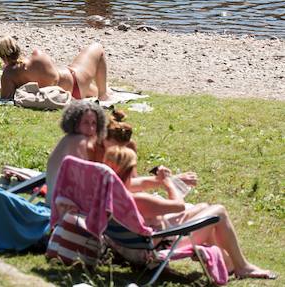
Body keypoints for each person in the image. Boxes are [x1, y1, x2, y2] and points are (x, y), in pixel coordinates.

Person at [104, 146, 276, 280]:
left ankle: (228, 263)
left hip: (133, 246)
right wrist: (168, 183)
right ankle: (242, 266)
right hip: (155, 249)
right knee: (218, 213)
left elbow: (139, 183)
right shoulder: (140, 201)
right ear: (128, 171)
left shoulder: (108, 192)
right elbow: (178, 205)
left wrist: (162, 180)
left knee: (202, 207)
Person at [0, 36, 109, 100]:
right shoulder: (37, 56)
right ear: (18, 49)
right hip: (75, 81)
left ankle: (104, 92)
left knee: (95, 90)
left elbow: (6, 98)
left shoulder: (9, 74)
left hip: (69, 93)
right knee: (97, 48)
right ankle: (103, 96)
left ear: (3, 57)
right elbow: (53, 77)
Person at [45, 100, 107, 201]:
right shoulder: (78, 141)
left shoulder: (69, 139)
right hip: (62, 208)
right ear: (75, 123)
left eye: (94, 123)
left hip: (60, 202)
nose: (91, 128)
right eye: (85, 123)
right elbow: (85, 181)